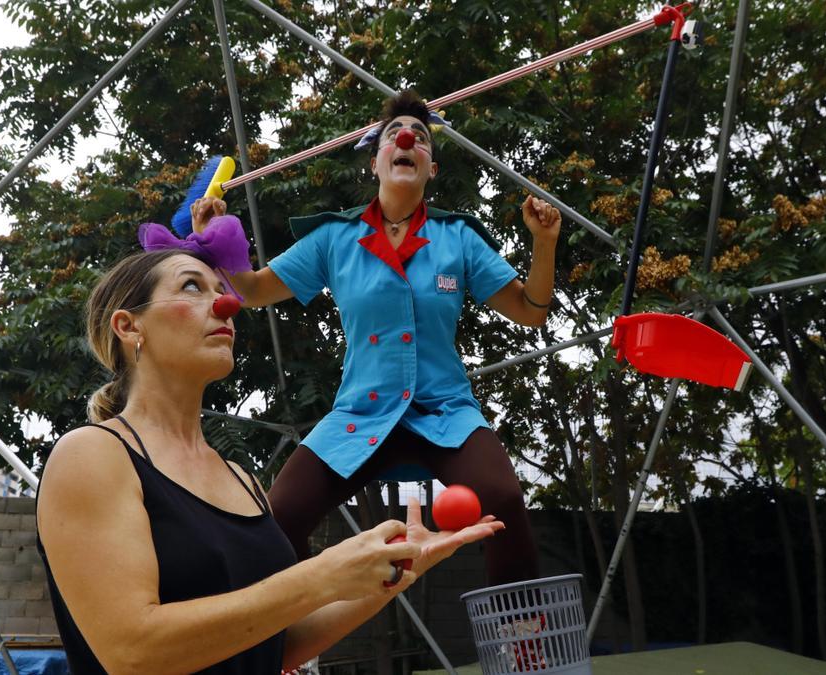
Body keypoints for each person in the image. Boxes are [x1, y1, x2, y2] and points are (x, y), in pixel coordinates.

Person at [36, 236, 502, 674]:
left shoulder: (242, 479)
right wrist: (319, 577)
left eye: (222, 289)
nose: (227, 304)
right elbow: (131, 652)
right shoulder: (93, 455)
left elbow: (276, 641)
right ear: (128, 325)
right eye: (192, 287)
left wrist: (399, 570)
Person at [202, 89, 560, 587]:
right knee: (279, 513)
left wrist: (544, 244)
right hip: (360, 413)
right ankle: (287, 645)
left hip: (444, 410)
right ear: (376, 162)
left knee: (502, 497)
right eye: (393, 135)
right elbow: (254, 290)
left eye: (419, 139)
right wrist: (218, 239)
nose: (407, 138)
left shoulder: (457, 237)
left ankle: (524, 643)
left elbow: (531, 311)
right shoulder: (335, 238)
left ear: (430, 169)